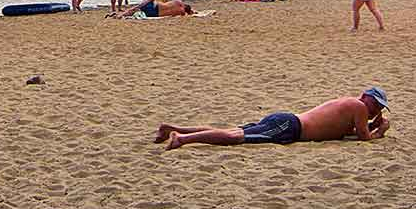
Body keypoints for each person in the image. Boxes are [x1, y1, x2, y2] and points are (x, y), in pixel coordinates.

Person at [155, 87, 390, 150]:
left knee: (233, 130)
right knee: (236, 137)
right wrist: (380, 130)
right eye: (376, 106)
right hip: (291, 127)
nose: (376, 111)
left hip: (288, 121)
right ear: (367, 99)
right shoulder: (358, 107)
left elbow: (346, 132)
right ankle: (182, 140)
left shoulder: (352, 106)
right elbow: (364, 139)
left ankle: (174, 129)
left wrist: (370, 124)